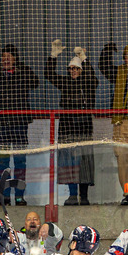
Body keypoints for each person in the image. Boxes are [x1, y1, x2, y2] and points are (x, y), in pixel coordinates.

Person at [0, 44, 39, 205]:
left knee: (20, 161)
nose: (5, 59)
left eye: (9, 56)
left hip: (19, 122)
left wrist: (21, 67)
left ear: (15, 59)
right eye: (3, 56)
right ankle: (4, 196)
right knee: (2, 162)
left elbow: (35, 82)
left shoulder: (22, 73)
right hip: (1, 123)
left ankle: (19, 196)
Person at [46, 41, 99, 205]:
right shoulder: (65, 82)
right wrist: (53, 56)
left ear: (81, 70)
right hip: (67, 127)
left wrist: (84, 58)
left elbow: (93, 78)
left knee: (84, 162)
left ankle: (84, 196)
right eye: (70, 68)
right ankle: (72, 195)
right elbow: (49, 74)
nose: (73, 71)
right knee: (69, 162)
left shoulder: (89, 83)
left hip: (84, 126)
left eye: (76, 68)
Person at [99, 43, 128, 204]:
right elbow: (104, 67)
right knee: (122, 159)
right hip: (121, 121)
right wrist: (108, 49)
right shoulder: (119, 72)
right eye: (126, 57)